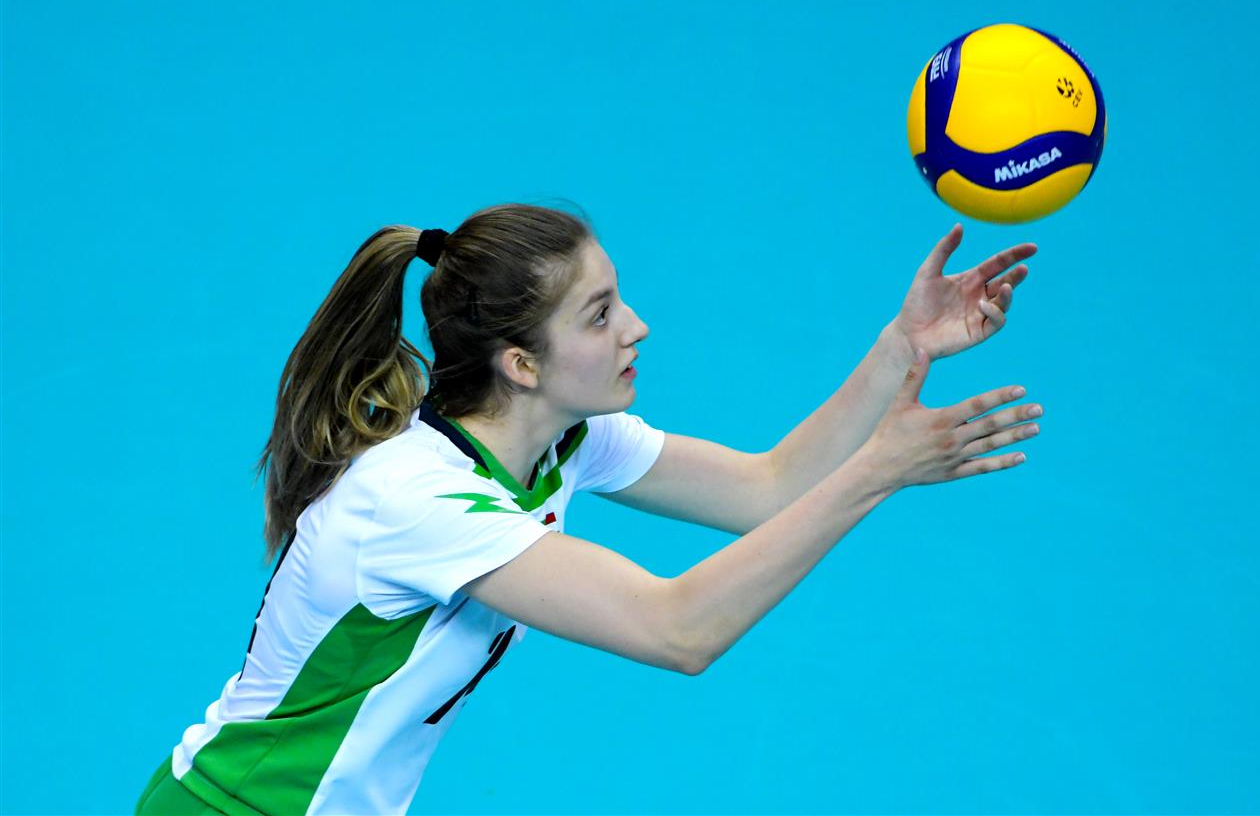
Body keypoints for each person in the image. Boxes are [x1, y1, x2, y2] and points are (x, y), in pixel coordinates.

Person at [134, 202, 1042, 815]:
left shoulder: (562, 440)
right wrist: (880, 470)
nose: (636, 326)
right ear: (521, 365)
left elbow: (766, 488)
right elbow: (678, 628)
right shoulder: (417, 500)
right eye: (600, 315)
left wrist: (902, 346)